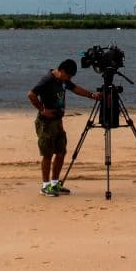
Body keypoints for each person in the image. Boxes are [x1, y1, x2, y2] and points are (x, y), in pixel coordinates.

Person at [28, 58, 101, 197]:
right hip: (45, 123)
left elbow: (75, 89)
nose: (69, 78)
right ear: (61, 71)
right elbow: (31, 94)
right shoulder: (47, 79)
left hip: (58, 122)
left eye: (71, 77)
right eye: (68, 75)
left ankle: (55, 184)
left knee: (61, 152)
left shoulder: (63, 80)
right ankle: (45, 186)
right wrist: (42, 109)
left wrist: (92, 95)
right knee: (47, 154)